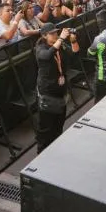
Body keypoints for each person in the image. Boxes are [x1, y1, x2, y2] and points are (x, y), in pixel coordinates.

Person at [33, 23, 79, 153]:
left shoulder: (61, 46)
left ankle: (55, 151)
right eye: (52, 33)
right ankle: (41, 155)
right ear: (44, 36)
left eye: (56, 32)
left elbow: (75, 55)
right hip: (47, 95)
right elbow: (47, 56)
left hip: (60, 92)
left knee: (58, 126)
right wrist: (60, 39)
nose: (56, 35)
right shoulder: (40, 48)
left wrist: (74, 40)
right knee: (46, 129)